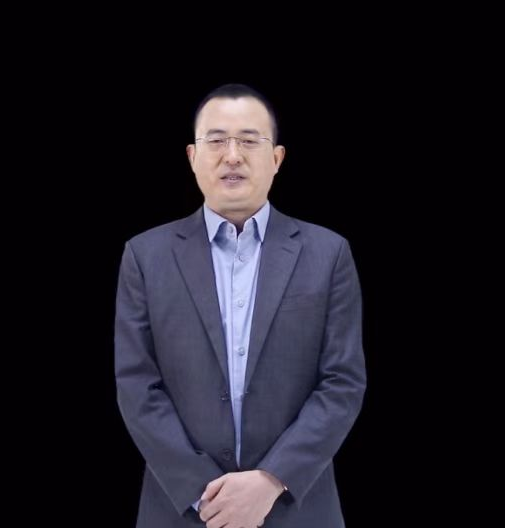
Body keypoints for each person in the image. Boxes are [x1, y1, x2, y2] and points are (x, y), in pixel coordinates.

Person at [115, 83, 366, 528]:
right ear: (192, 157)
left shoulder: (328, 253)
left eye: (249, 141)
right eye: (216, 140)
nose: (232, 156)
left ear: (277, 158)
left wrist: (271, 480)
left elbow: (342, 382)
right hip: (181, 509)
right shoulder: (145, 256)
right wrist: (205, 493)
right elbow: (137, 386)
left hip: (297, 507)